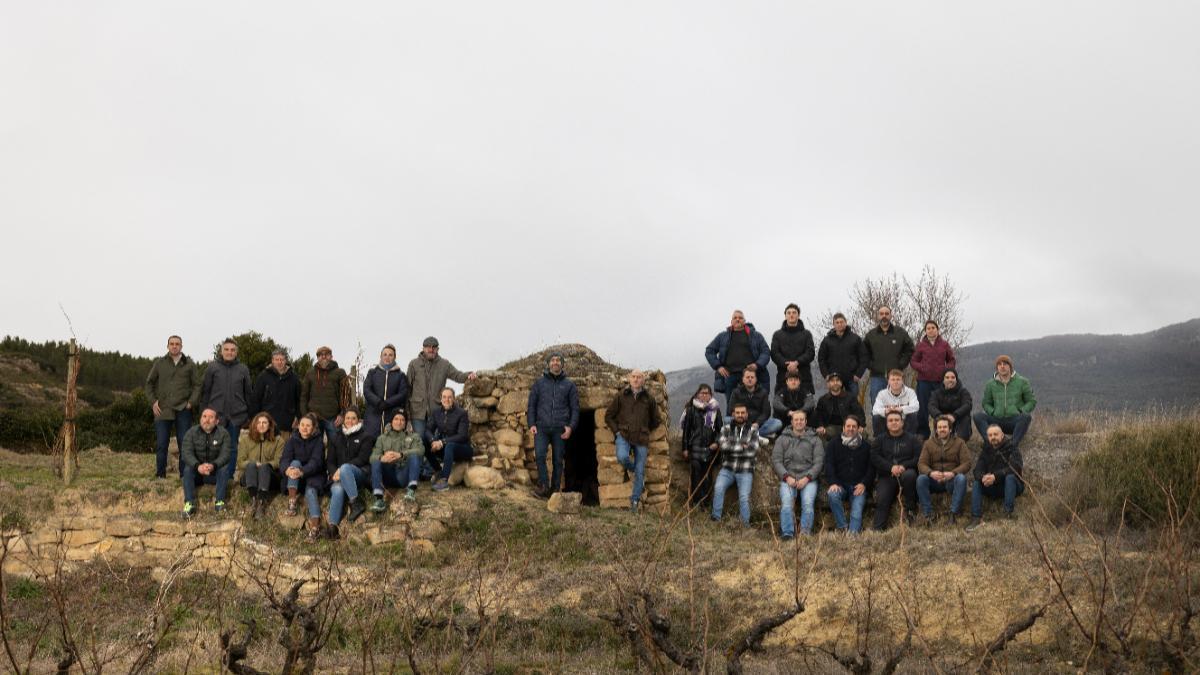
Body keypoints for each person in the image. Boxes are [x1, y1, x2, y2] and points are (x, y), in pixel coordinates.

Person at [145, 335, 201, 479]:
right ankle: (160, 475)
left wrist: (191, 402)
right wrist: (153, 402)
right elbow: (149, 383)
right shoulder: (159, 363)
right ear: (167, 346)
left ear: (181, 346)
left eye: (177, 344)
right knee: (162, 444)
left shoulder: (189, 364)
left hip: (183, 409)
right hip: (163, 410)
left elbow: (197, 385)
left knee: (184, 443)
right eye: (172, 344)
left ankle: (184, 475)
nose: (174, 346)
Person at [605, 369, 661, 513]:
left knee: (641, 470)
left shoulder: (649, 398)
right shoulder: (621, 396)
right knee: (623, 457)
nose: (636, 379)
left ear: (643, 380)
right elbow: (609, 416)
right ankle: (635, 471)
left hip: (641, 438)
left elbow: (656, 420)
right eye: (634, 377)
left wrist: (645, 429)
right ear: (629, 379)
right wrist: (617, 431)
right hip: (623, 435)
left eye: (639, 377)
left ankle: (635, 502)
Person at [527, 352, 579, 498]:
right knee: (540, 455)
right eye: (553, 360)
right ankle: (544, 486)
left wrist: (570, 427)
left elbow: (575, 408)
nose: (555, 362)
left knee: (558, 460)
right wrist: (531, 423)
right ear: (548, 364)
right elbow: (532, 405)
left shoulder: (569, 385)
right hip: (541, 427)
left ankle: (555, 490)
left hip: (560, 428)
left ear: (562, 364)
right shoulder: (539, 383)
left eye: (558, 360)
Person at [201, 339, 253, 481]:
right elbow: (206, 391)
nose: (229, 352)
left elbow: (248, 393)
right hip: (215, 416)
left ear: (236, 352)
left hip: (236, 416)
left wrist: (250, 415)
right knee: (213, 447)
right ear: (221, 351)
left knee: (232, 447)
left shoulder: (243, 369)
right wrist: (204, 413)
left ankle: (228, 476)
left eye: (232, 350)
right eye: (227, 349)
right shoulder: (212, 367)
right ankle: (212, 475)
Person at [406, 336, 476, 438]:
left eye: (434, 347)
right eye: (428, 347)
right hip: (417, 412)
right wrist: (407, 412)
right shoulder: (414, 364)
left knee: (434, 441)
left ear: (437, 349)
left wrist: (469, 375)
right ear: (423, 348)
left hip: (436, 411)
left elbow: (457, 376)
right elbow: (408, 387)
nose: (431, 349)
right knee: (419, 440)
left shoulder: (444, 364)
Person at [711, 403, 766, 526]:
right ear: (733, 414)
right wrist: (742, 447)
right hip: (727, 469)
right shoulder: (725, 429)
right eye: (737, 413)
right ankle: (715, 519)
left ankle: (744, 525)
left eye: (742, 413)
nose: (740, 415)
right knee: (718, 489)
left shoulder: (753, 431)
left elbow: (753, 450)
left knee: (744, 497)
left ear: (746, 414)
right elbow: (723, 446)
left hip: (745, 470)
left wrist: (732, 448)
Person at [771, 410, 824, 539]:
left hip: (808, 479)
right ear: (792, 422)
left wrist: (807, 478)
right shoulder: (782, 439)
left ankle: (805, 533)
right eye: (796, 420)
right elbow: (776, 460)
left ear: (806, 422)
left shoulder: (815, 439)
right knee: (787, 503)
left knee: (807, 503)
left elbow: (819, 462)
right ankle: (788, 533)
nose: (799, 422)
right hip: (788, 478)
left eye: (801, 420)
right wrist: (786, 477)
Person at [324, 409, 376, 538]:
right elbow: (330, 461)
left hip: (359, 474)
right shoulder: (336, 438)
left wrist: (341, 469)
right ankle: (332, 528)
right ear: (343, 419)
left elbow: (363, 459)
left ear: (359, 420)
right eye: (347, 418)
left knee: (346, 468)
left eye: (353, 418)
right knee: (337, 489)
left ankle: (355, 503)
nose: (350, 421)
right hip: (339, 476)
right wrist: (334, 473)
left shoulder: (366, 437)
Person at [704, 310, 771, 409]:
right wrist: (718, 366)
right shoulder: (722, 336)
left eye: (740, 318)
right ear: (731, 321)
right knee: (732, 407)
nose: (738, 319)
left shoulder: (755, 336)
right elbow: (709, 351)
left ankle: (755, 424)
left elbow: (766, 352)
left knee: (754, 406)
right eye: (735, 318)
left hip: (750, 376)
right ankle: (731, 424)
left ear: (744, 321)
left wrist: (757, 365)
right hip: (730, 376)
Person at [965, 424, 1025, 531]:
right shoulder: (986, 450)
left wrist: (995, 476)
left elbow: (1015, 468)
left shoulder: (1012, 447)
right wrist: (983, 477)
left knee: (1010, 477)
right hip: (993, 486)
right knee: (976, 483)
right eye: (990, 435)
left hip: (1012, 486)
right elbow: (977, 469)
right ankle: (976, 518)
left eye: (995, 434)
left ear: (1002, 435)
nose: (993, 437)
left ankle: (1008, 514)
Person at [869, 410, 922, 531]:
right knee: (882, 498)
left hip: (907, 474)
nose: (894, 423)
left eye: (897, 420)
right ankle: (878, 529)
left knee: (910, 475)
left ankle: (910, 512)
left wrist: (904, 466)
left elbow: (918, 457)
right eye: (891, 420)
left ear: (902, 422)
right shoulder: (879, 440)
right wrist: (890, 467)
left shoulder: (912, 439)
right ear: (886, 423)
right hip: (887, 476)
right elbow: (874, 457)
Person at [915, 417, 971, 526]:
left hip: (951, 481)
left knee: (961, 478)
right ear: (936, 430)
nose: (942, 429)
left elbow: (967, 463)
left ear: (950, 429)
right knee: (921, 479)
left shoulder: (959, 443)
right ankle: (928, 515)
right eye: (939, 427)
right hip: (934, 481)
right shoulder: (928, 444)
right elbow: (921, 464)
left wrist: (953, 473)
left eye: (945, 427)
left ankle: (953, 514)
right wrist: (931, 473)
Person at [973, 355, 1036, 450]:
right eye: (999, 364)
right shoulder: (991, 384)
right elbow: (986, 403)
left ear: (1010, 366)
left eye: (1005, 364)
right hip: (997, 421)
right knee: (978, 416)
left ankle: (1011, 446)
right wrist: (993, 412)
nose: (1002, 366)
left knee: (1026, 417)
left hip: (1014, 421)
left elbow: (1031, 401)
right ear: (997, 367)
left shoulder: (1022, 382)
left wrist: (1021, 410)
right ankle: (990, 443)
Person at [280, 413, 327, 541]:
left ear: (313, 428)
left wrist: (302, 471)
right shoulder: (292, 440)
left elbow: (316, 462)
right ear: (298, 426)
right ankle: (292, 503)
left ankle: (315, 528)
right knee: (294, 463)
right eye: (302, 425)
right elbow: (284, 459)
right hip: (295, 478)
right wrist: (287, 469)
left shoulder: (318, 442)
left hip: (314, 475)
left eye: (308, 426)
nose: (304, 428)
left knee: (311, 492)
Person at [824, 415, 872, 534]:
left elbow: (871, 468)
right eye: (848, 426)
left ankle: (852, 535)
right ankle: (843, 527)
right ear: (843, 428)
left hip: (858, 486)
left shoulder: (866, 446)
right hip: (840, 485)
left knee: (856, 511)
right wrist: (833, 483)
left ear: (859, 428)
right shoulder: (833, 444)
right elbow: (829, 464)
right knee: (832, 495)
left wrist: (864, 484)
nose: (851, 429)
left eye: (854, 426)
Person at [179, 408, 231, 518]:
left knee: (224, 468)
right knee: (187, 469)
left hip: (214, 473)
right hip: (197, 473)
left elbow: (226, 454)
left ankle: (220, 503)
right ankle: (190, 504)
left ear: (217, 421)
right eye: (204, 416)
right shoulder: (191, 432)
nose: (207, 420)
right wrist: (198, 466)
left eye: (211, 417)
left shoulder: (223, 434)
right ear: (200, 419)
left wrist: (213, 465)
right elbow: (186, 453)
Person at [370, 410, 425, 509]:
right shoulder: (382, 438)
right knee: (376, 461)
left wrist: (401, 454)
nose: (399, 422)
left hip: (403, 476)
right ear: (391, 421)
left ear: (405, 423)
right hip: (388, 476)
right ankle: (379, 500)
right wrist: (382, 458)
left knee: (414, 455)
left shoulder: (413, 436)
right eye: (396, 419)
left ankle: (411, 490)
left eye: (402, 420)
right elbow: (372, 457)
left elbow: (421, 450)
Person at [910, 320, 956, 439]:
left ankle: (942, 433)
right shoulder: (921, 345)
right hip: (924, 381)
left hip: (940, 382)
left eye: (933, 327)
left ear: (937, 329)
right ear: (925, 331)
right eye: (928, 328)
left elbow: (951, 360)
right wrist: (922, 367)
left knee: (941, 407)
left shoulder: (944, 344)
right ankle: (923, 434)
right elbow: (913, 361)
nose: (931, 330)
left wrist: (946, 370)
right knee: (922, 408)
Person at [679, 384, 722, 509]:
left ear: (710, 395)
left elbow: (720, 430)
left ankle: (705, 504)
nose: (704, 395)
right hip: (695, 447)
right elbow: (686, 430)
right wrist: (685, 448)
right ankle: (696, 502)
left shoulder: (715, 410)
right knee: (696, 474)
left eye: (707, 393)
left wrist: (717, 442)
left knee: (707, 476)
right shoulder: (691, 409)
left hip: (710, 449)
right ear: (698, 394)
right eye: (702, 393)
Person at [300, 346, 352, 447]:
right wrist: (305, 416)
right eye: (320, 355)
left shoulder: (340, 372)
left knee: (336, 446)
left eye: (326, 354)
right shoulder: (310, 373)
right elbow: (303, 396)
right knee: (313, 447)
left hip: (333, 418)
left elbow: (346, 396)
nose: (323, 357)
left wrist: (342, 414)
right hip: (313, 418)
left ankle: (335, 463)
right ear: (317, 358)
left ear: (331, 356)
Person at [863, 306, 915, 405]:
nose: (884, 316)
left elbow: (910, 349)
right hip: (877, 377)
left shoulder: (900, 333)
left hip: (896, 377)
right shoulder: (871, 335)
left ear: (891, 315)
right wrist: (872, 366)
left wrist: (901, 365)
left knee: (898, 407)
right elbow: (864, 354)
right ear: (878, 316)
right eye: (881, 314)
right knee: (877, 407)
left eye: (887, 314)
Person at [238, 412, 284, 520]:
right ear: (254, 424)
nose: (261, 425)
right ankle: (254, 500)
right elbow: (240, 462)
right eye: (258, 422)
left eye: (264, 422)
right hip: (250, 476)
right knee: (251, 464)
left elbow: (279, 461)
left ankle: (262, 503)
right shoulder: (246, 440)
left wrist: (265, 465)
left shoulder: (278, 440)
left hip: (270, 477)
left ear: (270, 425)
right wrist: (254, 463)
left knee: (264, 467)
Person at [427, 388, 475, 492]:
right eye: (444, 397)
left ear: (453, 398)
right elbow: (428, 429)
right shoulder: (436, 412)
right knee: (424, 443)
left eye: (449, 397)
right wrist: (432, 441)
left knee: (450, 445)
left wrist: (442, 442)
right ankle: (439, 470)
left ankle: (444, 482)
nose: (446, 399)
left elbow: (462, 436)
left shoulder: (462, 413)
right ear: (441, 399)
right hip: (445, 448)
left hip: (463, 449)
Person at [249, 349, 300, 443]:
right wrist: (254, 418)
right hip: (267, 424)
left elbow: (299, 400)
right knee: (267, 451)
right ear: (272, 361)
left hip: (286, 424)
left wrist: (298, 416)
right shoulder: (263, 376)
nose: (279, 362)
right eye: (277, 359)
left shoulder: (294, 378)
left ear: (286, 361)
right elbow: (256, 399)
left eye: (282, 359)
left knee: (284, 452)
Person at [362, 344, 409, 437]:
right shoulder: (372, 372)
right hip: (373, 415)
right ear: (381, 356)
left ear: (394, 357)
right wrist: (378, 402)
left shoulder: (400, 375)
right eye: (385, 354)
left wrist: (387, 403)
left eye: (390, 355)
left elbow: (403, 393)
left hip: (391, 415)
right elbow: (366, 390)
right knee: (371, 445)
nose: (387, 357)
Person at [818, 313, 868, 398]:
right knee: (834, 404)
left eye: (841, 322)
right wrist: (826, 374)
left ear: (845, 323)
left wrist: (859, 374)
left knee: (852, 404)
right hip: (834, 379)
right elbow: (821, 359)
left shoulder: (855, 338)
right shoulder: (827, 340)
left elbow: (864, 357)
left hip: (851, 378)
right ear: (833, 324)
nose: (839, 324)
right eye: (837, 322)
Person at [770, 303, 815, 396]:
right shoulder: (777, 335)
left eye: (794, 312)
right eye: (789, 313)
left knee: (806, 407)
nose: (791, 315)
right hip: (783, 377)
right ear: (785, 316)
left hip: (804, 377)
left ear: (798, 315)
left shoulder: (806, 334)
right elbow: (774, 353)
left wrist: (797, 362)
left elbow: (810, 352)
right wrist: (786, 364)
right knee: (782, 407)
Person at [727, 368, 783, 437]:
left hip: (757, 424)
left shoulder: (763, 392)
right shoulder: (736, 392)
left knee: (777, 423)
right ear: (743, 379)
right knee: (727, 420)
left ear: (756, 379)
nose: (750, 379)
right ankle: (756, 435)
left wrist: (757, 423)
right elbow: (731, 410)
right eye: (747, 377)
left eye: (752, 377)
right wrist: (742, 419)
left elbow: (766, 412)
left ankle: (748, 435)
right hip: (741, 422)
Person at [812, 372, 866, 440]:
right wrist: (820, 426)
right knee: (821, 434)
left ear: (841, 383)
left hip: (848, 426)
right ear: (828, 384)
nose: (835, 383)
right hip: (830, 428)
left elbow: (859, 412)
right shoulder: (823, 399)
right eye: (832, 381)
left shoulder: (850, 397)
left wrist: (860, 425)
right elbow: (818, 416)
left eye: (837, 380)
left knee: (864, 435)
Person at [871, 369, 919, 437]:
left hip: (904, 422)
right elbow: (875, 410)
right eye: (893, 379)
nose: (895, 382)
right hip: (887, 422)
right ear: (888, 381)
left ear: (902, 381)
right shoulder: (882, 393)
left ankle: (909, 439)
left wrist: (901, 409)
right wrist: (886, 411)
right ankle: (880, 440)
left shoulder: (910, 392)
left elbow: (916, 406)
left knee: (913, 415)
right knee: (876, 417)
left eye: (898, 379)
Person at [928, 368, 973, 440]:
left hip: (959, 420)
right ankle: (939, 438)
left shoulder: (963, 392)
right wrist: (940, 416)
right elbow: (931, 406)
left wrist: (954, 416)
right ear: (943, 380)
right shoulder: (936, 393)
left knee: (965, 417)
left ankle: (960, 441)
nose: (950, 380)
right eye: (947, 377)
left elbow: (968, 405)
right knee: (937, 420)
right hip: (942, 420)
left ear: (956, 379)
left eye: (953, 377)